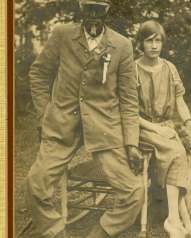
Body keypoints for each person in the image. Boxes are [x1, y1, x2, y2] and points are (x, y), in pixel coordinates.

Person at [26, 1, 145, 237]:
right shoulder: (62, 34)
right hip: (62, 125)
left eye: (99, 10)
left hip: (104, 128)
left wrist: (131, 143)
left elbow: (129, 99)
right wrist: (45, 114)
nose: (93, 16)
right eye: (89, 9)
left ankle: (99, 233)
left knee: (134, 192)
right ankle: (55, 230)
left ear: (107, 12)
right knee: (35, 184)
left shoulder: (121, 45)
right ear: (81, 10)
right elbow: (38, 74)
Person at [135, 20, 191, 238]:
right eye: (149, 40)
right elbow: (129, 111)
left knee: (178, 153)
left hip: (166, 127)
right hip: (142, 128)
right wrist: (155, 128)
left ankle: (177, 218)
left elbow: (180, 100)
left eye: (158, 40)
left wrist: (188, 123)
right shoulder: (133, 69)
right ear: (140, 43)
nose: (154, 45)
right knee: (177, 152)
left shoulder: (170, 68)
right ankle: (175, 219)